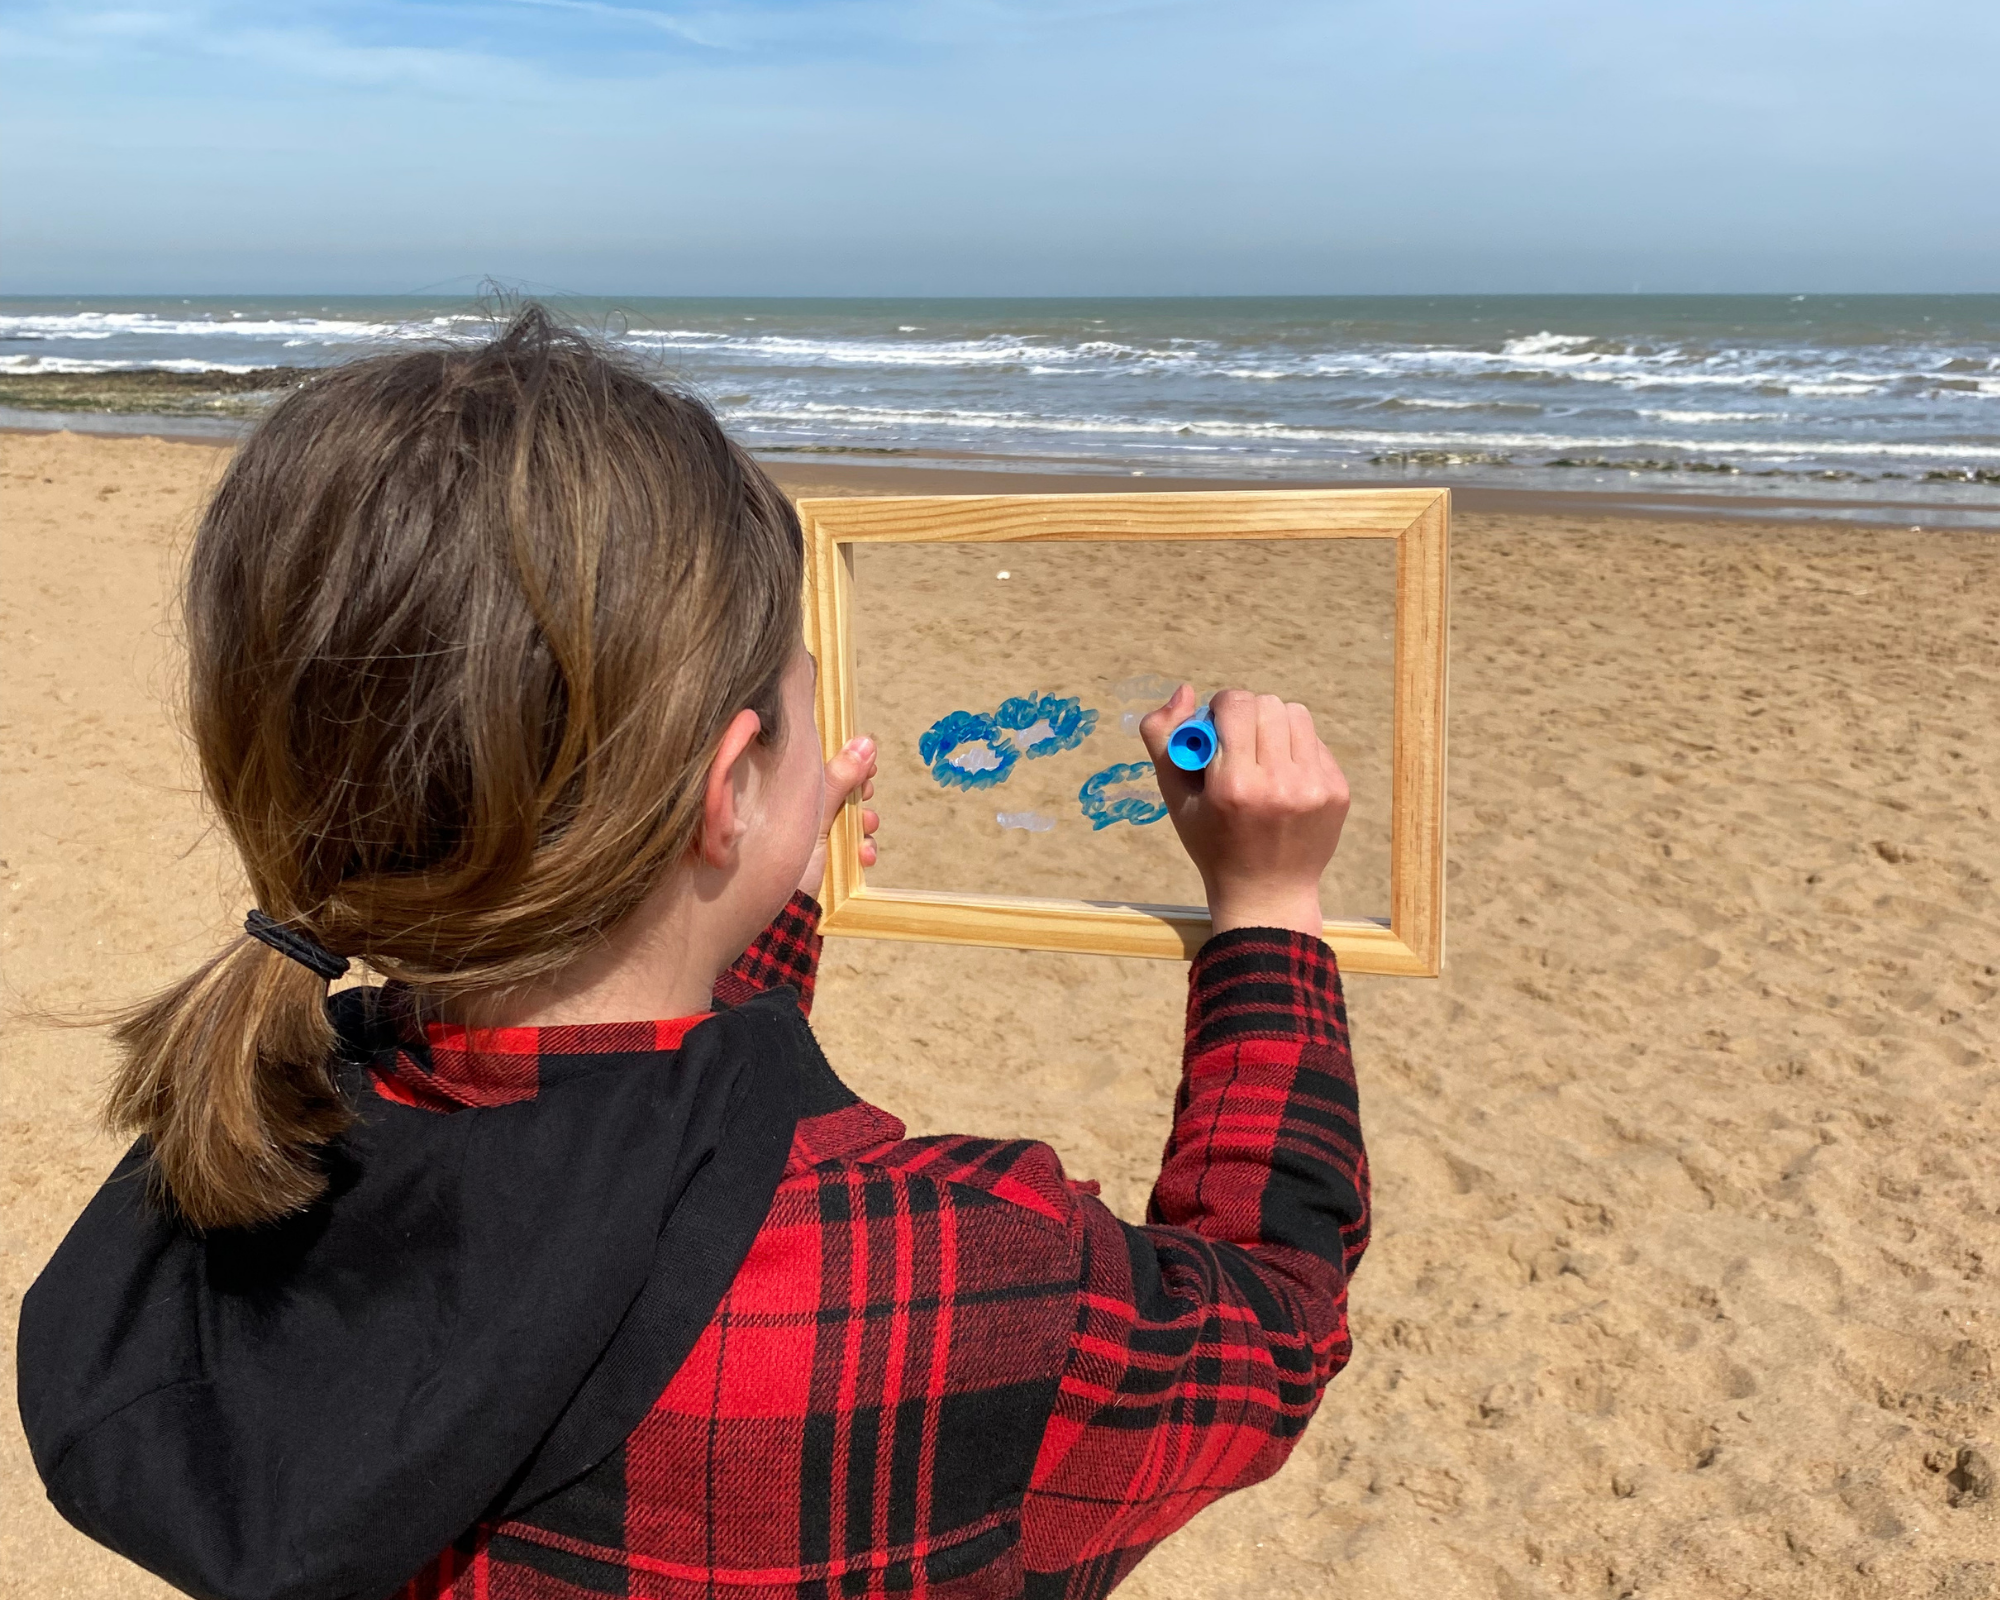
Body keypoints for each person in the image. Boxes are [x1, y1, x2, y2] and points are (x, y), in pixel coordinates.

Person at [17, 308, 1369, 1600]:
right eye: (791, 685)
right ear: (726, 791)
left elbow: (609, 1119)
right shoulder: (968, 1280)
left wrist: (754, 884)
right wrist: (1266, 917)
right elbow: (1270, 1319)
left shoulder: (257, 1154)